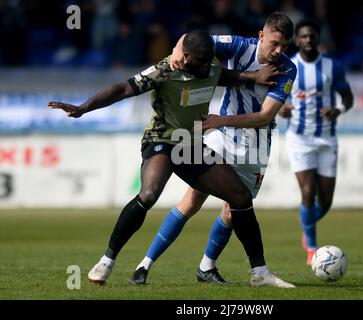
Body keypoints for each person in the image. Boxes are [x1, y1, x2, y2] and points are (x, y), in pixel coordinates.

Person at [48, 30, 293, 288]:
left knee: (240, 197)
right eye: (200, 64)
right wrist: (83, 108)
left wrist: (253, 76)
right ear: (185, 57)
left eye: (208, 64)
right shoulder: (166, 70)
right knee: (149, 194)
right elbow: (123, 88)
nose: (205, 70)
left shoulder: (208, 65)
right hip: (162, 140)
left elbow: (224, 76)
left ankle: (260, 272)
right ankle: (107, 260)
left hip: (191, 144)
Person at [129, 12, 297, 286]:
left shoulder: (288, 69)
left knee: (233, 210)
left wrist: (219, 119)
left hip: (254, 145)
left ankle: (206, 267)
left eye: (284, 46)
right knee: (192, 199)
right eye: (274, 43)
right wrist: (176, 49)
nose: (278, 51)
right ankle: (144, 265)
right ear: (261, 35)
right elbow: (196, 40)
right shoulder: (239, 46)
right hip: (221, 137)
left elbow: (265, 117)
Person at [278, 19, 354, 265]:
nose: (308, 40)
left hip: (327, 137)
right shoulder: (288, 66)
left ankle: (306, 225)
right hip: (299, 138)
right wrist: (281, 109)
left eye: (312, 36)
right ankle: (311, 247)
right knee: (308, 193)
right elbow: (273, 96)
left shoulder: (333, 67)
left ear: (318, 39)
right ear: (296, 40)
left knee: (326, 201)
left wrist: (339, 110)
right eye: (303, 36)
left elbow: (348, 97)